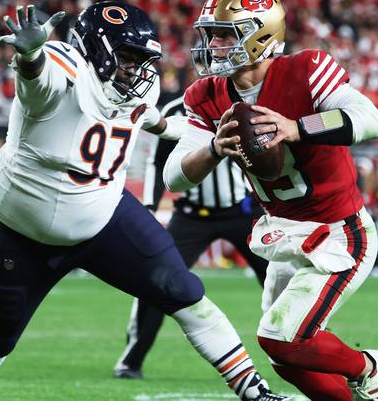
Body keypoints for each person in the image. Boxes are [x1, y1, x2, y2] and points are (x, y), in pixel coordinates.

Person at [0, 2, 300, 401]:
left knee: (184, 292)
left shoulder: (138, 88)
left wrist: (202, 132)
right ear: (95, 49)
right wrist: (30, 55)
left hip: (103, 214)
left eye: (142, 60)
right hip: (19, 227)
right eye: (127, 56)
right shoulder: (61, 68)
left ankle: (254, 391)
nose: (137, 69)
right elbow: (36, 83)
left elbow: (154, 120)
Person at [164, 0, 378, 401]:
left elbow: (371, 120)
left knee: (281, 337)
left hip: (340, 231)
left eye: (224, 35)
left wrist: (298, 127)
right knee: (286, 358)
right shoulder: (206, 96)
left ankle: (369, 367)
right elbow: (174, 177)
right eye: (210, 35)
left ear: (261, 34)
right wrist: (213, 149)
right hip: (284, 230)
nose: (213, 45)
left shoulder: (306, 68)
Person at [114, 95, 269, 380]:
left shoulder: (246, 106)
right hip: (192, 215)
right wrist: (149, 207)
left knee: (279, 277)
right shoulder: (177, 110)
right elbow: (158, 162)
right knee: (156, 279)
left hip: (243, 210)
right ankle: (131, 359)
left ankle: (304, 348)